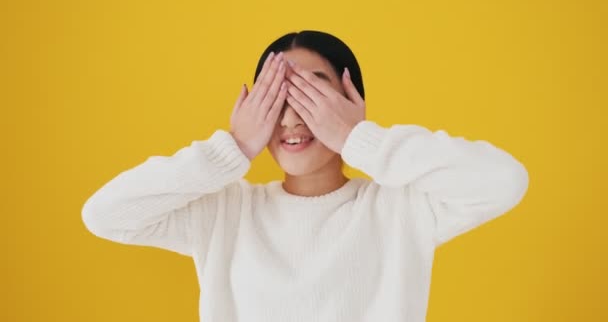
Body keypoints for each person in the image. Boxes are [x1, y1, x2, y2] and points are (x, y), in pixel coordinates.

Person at [81, 30, 529, 322]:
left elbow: (504, 180)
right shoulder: (226, 213)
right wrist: (231, 149)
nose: (292, 117)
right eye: (276, 96)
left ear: (350, 100)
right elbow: (106, 215)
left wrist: (360, 138)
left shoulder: (401, 208)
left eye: (311, 92)